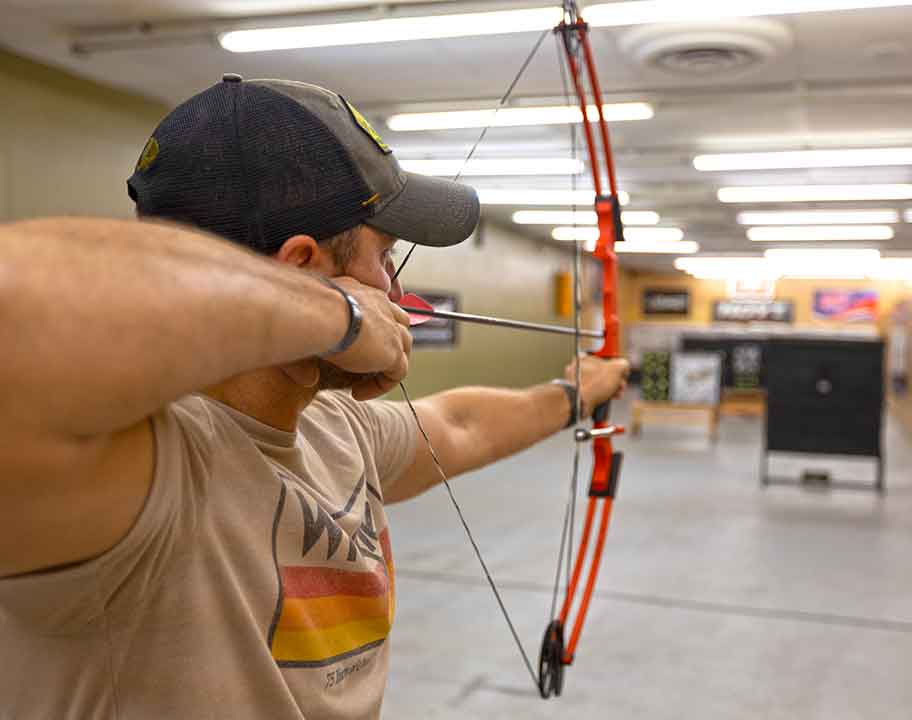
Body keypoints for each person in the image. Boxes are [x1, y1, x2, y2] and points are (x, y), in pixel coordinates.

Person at [0, 75, 629, 719]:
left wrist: (575, 393)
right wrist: (339, 317)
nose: (393, 288)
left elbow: (458, 425)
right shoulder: (141, 470)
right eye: (385, 256)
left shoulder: (334, 425)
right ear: (303, 267)